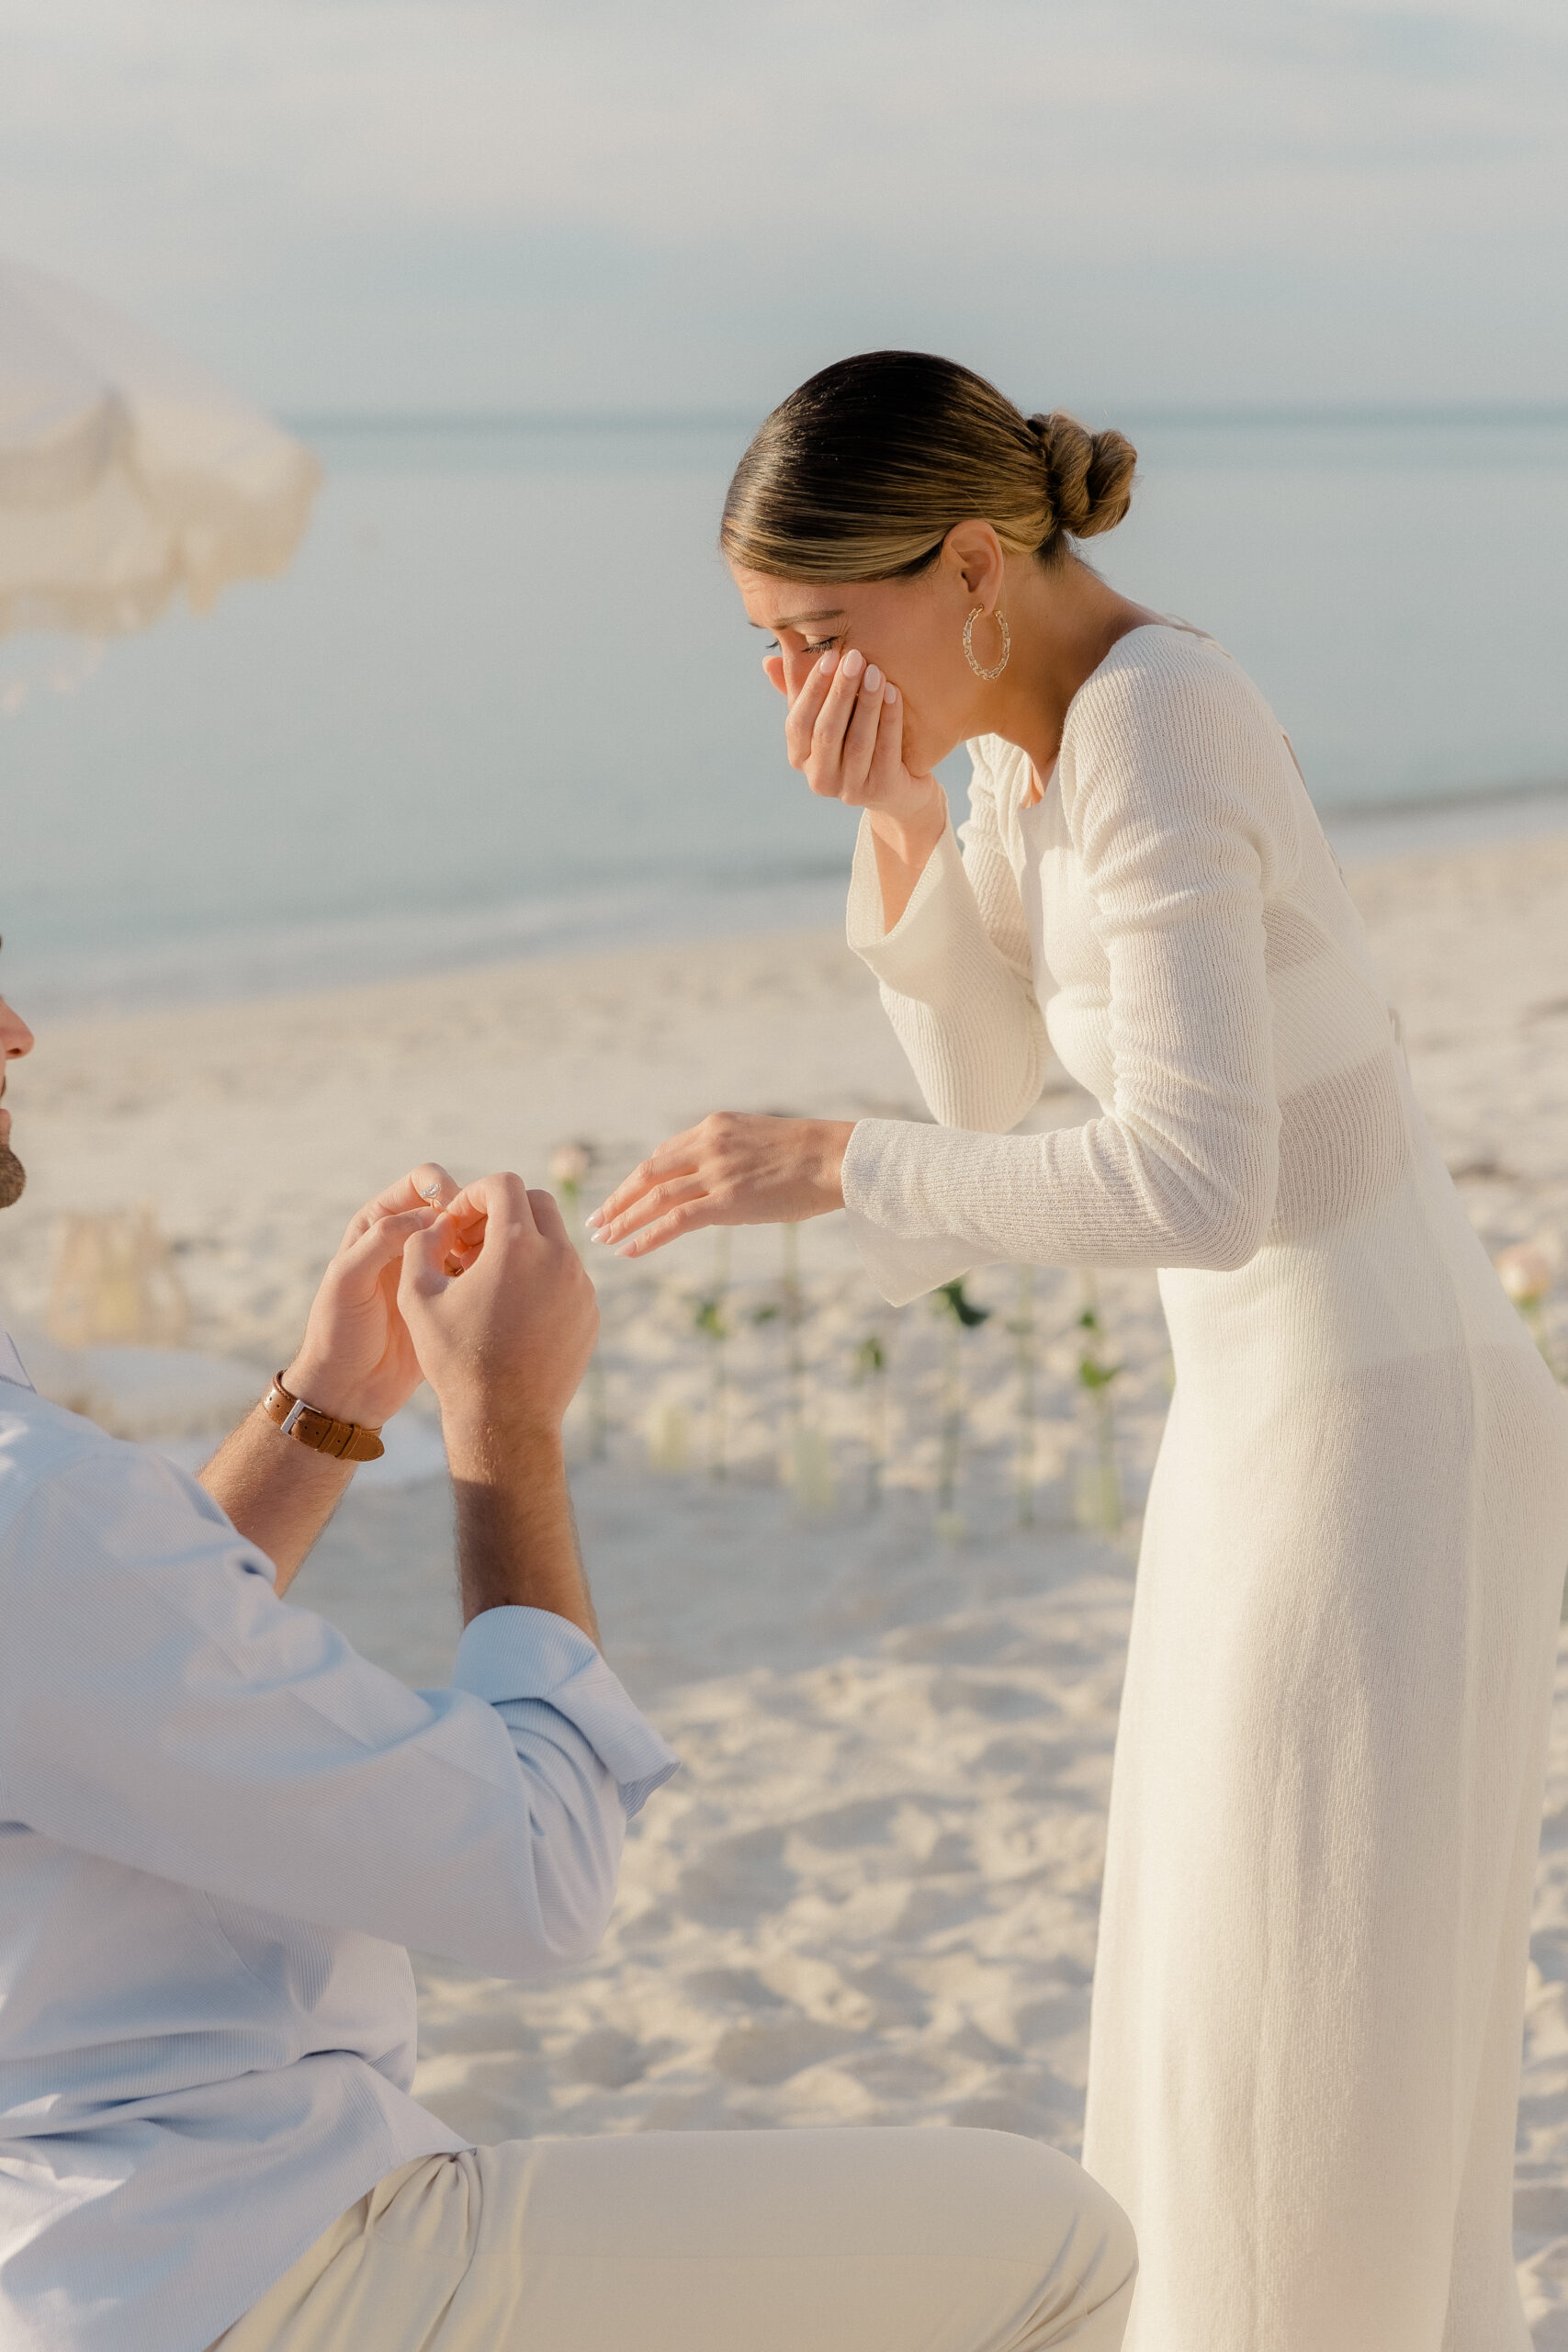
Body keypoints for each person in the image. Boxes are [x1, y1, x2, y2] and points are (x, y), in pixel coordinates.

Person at [591, 350, 1568, 2351]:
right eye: (768, 650)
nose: (790, 687)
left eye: (814, 638)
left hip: (1377, 1410)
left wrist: (827, 1166)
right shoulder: (1021, 751)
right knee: (1232, 1999)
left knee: (1303, 2024)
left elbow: (1194, 1180)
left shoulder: (1157, 721)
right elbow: (985, 1082)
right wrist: (884, 815)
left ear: (966, 564)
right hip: (1264, 1416)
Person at [0, 956, 1135, 2352]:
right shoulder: (37, 1507)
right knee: (1055, 2236)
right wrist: (506, 1426)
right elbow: (536, 1873)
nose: (18, 1030)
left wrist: (334, 1400)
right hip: (227, 2272)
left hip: (65, 2257)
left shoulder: (46, 1520)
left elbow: (100, 1657)